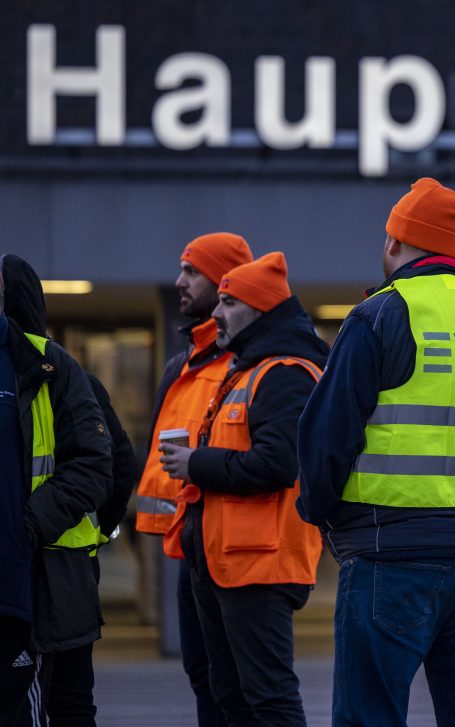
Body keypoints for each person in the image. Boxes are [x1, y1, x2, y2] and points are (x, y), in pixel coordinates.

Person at [297, 178, 455, 727]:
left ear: (394, 242)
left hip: (391, 554)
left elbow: (327, 436)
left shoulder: (379, 316)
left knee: (370, 715)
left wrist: (321, 515)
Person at [159, 252, 327, 725]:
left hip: (260, 567)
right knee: (231, 696)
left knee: (268, 697)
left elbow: (278, 463)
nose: (215, 313)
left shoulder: (286, 373)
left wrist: (198, 463)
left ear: (259, 309)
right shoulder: (250, 370)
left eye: (229, 302)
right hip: (226, 562)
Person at [1, 254, 139, 726]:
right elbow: (121, 465)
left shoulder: (48, 372)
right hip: (70, 577)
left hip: (40, 577)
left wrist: (26, 525)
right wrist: (98, 531)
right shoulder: (73, 375)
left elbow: (108, 464)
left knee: (41, 703)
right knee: (73, 705)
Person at [135, 232, 253, 727]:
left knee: (242, 688)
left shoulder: (247, 366)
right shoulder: (180, 366)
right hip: (189, 547)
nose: (180, 282)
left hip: (234, 551)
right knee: (204, 678)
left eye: (192, 272)